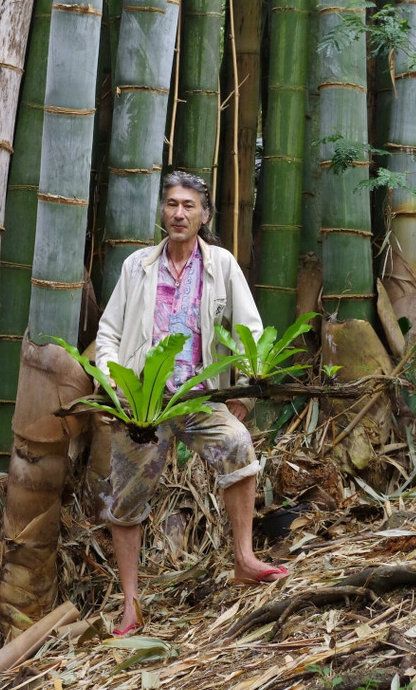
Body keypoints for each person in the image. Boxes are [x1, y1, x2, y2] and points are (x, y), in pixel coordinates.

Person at [95, 170, 287, 635]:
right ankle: (131, 605)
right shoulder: (137, 266)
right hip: (145, 405)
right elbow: (108, 333)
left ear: (204, 215)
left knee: (238, 445)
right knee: (126, 499)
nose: (179, 213)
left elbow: (250, 329)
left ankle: (244, 559)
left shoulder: (221, 264)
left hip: (199, 397)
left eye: (189, 206)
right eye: (172, 204)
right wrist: (114, 380)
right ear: (162, 211)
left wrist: (246, 391)